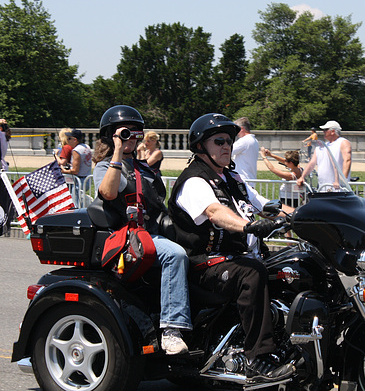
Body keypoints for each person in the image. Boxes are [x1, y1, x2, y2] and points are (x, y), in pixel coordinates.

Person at [168, 113, 296, 384]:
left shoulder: (233, 179)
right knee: (252, 273)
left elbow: (267, 204)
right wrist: (249, 227)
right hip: (206, 264)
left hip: (236, 258)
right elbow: (215, 212)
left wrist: (307, 217)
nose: (227, 146)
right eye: (219, 141)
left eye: (229, 140)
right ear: (200, 146)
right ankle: (256, 359)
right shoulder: (194, 181)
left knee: (294, 266)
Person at [92, 105, 192, 355]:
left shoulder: (145, 168)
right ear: (110, 135)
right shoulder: (104, 167)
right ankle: (171, 330)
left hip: (153, 231)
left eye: (136, 132)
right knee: (174, 255)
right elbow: (109, 192)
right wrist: (117, 150)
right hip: (127, 237)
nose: (130, 136)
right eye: (124, 132)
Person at [297, 120, 351, 190]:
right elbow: (311, 164)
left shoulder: (343, 142)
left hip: (338, 187)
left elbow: (347, 160)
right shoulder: (322, 146)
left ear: (333, 131)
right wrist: (302, 177)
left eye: (326, 130)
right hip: (322, 187)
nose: (323, 132)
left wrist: (343, 181)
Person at [61, 129, 92, 208]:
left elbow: (75, 171)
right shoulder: (86, 147)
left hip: (79, 181)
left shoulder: (76, 150)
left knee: (76, 204)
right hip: (87, 179)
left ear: (75, 140)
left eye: (69, 138)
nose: (67, 140)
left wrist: (64, 171)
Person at [231, 117, 259, 187]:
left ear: (242, 129)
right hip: (250, 179)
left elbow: (228, 151)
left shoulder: (244, 141)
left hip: (243, 180)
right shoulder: (254, 140)